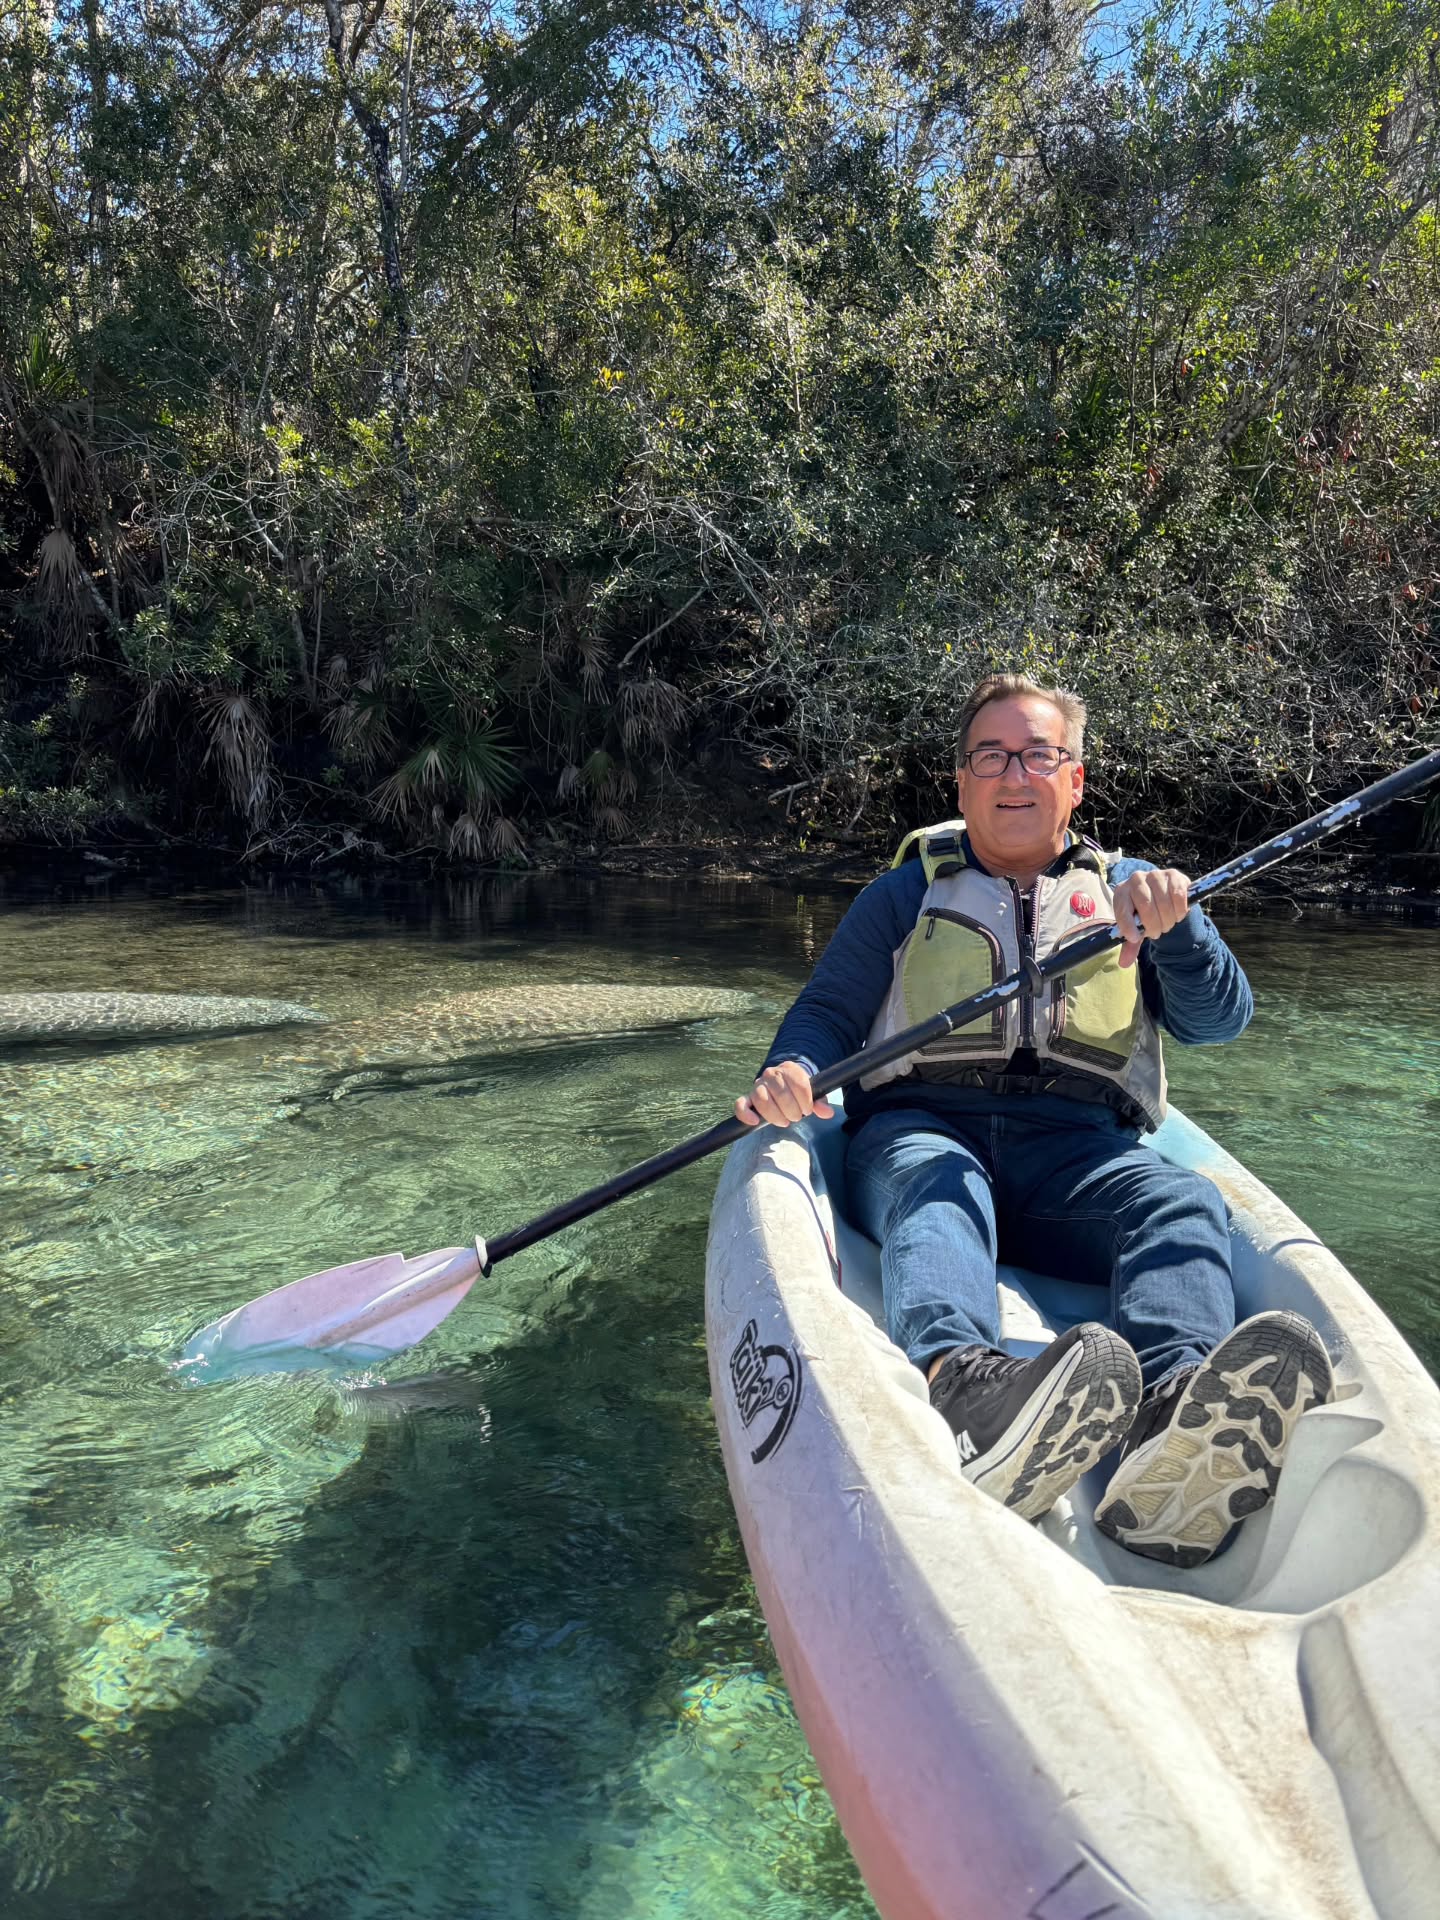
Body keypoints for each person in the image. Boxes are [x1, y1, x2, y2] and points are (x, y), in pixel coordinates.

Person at [736, 673, 1333, 1568]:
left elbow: (1221, 1022)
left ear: (1076, 778)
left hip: (1075, 1157)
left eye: (1038, 754)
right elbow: (825, 1016)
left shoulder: (1133, 892)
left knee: (1179, 1203)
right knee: (943, 1188)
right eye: (992, 756)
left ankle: (1176, 1422)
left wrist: (1183, 933)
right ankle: (968, 1387)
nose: (1015, 774)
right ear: (964, 781)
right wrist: (791, 1070)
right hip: (919, 1131)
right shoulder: (901, 897)